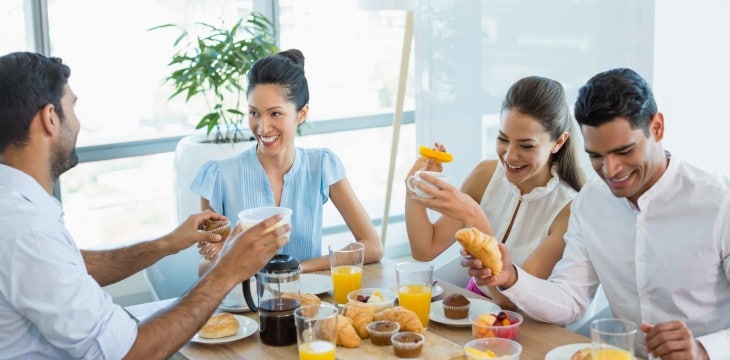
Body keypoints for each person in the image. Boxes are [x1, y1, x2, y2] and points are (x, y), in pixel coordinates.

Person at [0, 51, 290, 359]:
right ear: (50, 118)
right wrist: (227, 271)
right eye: (72, 107)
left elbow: (71, 266)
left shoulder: (15, 207)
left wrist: (167, 243)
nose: (77, 122)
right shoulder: (26, 229)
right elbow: (130, 353)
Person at [466, 68, 730, 359]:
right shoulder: (591, 202)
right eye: (596, 155)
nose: (611, 170)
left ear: (657, 128)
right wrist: (511, 277)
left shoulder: (720, 203)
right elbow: (570, 301)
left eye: (625, 151)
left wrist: (704, 349)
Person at [193, 49, 382, 274]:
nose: (262, 127)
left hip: (306, 302)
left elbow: (372, 247)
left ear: (301, 115)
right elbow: (203, 269)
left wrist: (295, 269)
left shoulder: (321, 165)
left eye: (275, 114)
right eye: (254, 113)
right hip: (243, 305)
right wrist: (221, 254)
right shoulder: (219, 176)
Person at [405, 76, 586, 309]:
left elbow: (510, 302)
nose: (510, 156)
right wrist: (414, 185)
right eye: (503, 139)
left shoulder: (569, 210)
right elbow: (424, 249)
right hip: (472, 308)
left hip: (521, 328)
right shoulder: (485, 175)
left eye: (526, 145)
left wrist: (475, 219)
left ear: (558, 142)